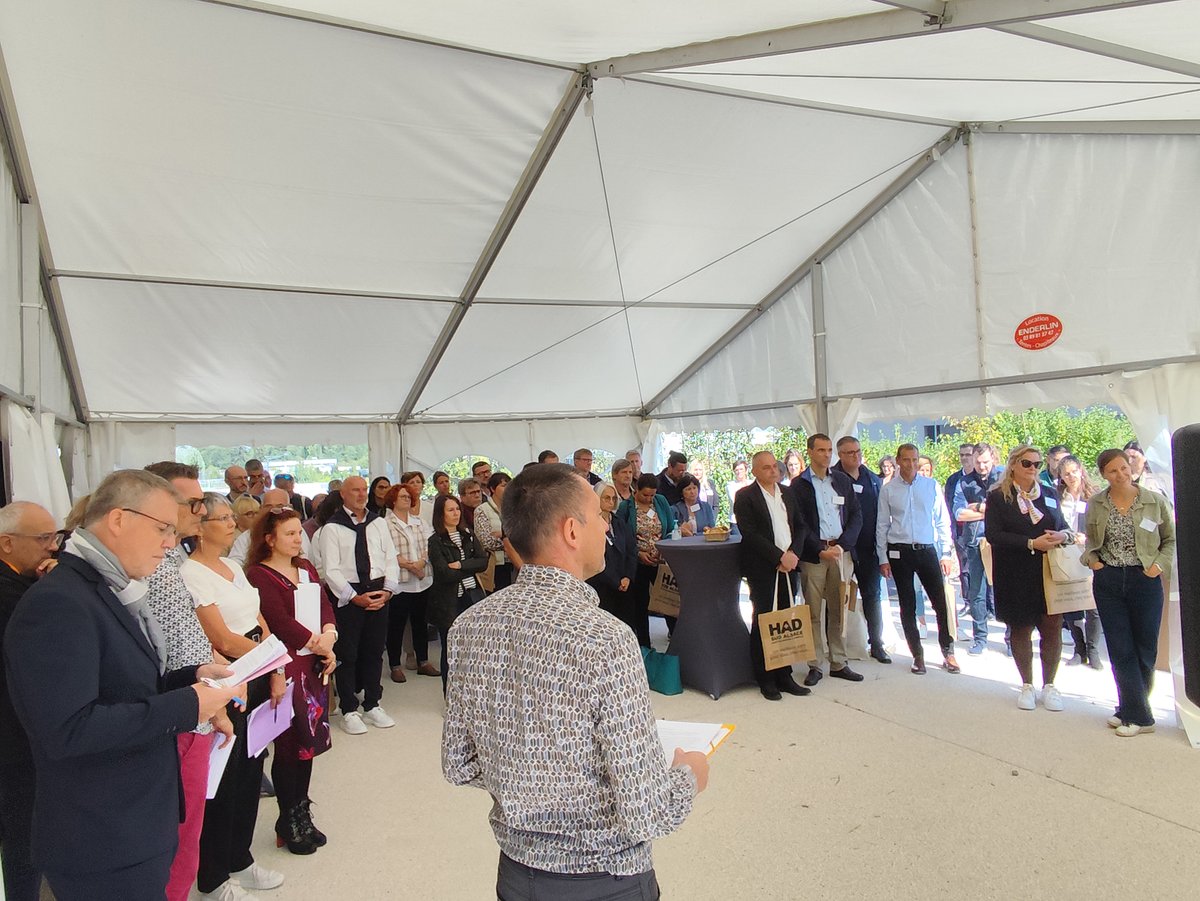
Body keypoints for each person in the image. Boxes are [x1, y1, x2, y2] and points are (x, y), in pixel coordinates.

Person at [442, 464, 707, 899]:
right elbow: (647, 811)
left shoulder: (469, 626)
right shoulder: (606, 638)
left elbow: (459, 763)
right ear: (570, 530)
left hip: (516, 873)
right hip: (606, 878)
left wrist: (527, 780)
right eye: (599, 515)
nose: (608, 524)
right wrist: (689, 775)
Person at [4, 470, 241, 901]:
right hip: (101, 835)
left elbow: (121, 685)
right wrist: (189, 705)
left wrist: (191, 678)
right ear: (118, 519)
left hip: (131, 822)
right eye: (163, 528)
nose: (171, 542)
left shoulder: (105, 586)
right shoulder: (60, 601)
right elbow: (68, 729)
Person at [141, 462, 252, 901]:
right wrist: (211, 701)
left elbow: (190, 643)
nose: (201, 509)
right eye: (192, 502)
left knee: (191, 826)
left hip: (201, 702)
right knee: (182, 830)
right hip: (185, 710)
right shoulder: (164, 563)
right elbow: (187, 642)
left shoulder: (173, 557)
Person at [182, 494, 286, 900]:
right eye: (222, 518)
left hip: (257, 669)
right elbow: (220, 637)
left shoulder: (231, 567)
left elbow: (259, 618)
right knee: (222, 782)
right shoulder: (191, 572)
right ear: (200, 526)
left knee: (249, 773)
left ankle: (240, 859)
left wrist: (275, 667)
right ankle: (213, 877)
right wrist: (270, 654)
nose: (231, 523)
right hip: (227, 678)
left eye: (231, 516)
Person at [245, 509, 338, 855]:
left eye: (299, 533)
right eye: (289, 534)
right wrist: (318, 642)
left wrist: (329, 635)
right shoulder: (259, 575)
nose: (298, 539)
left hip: (314, 661)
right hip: (286, 665)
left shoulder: (306, 568)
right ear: (269, 539)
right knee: (288, 745)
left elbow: (324, 603)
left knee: (308, 744)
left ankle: (301, 811)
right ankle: (287, 818)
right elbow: (278, 621)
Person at [1083, 448, 1175, 737]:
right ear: (1104, 475)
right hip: (1109, 579)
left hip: (1144, 579)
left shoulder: (1154, 501)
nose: (1121, 474)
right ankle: (1141, 718)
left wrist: (1158, 566)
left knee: (1145, 648)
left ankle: (1130, 708)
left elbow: (1170, 539)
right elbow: (1089, 542)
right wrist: (1093, 562)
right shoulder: (1096, 503)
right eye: (1113, 471)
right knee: (1121, 648)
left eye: (1124, 467)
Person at [983, 445, 1072, 712]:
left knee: (1052, 625)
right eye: (1027, 463)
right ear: (1013, 465)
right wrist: (1031, 542)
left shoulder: (1049, 493)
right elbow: (994, 534)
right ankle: (1027, 684)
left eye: (1037, 464)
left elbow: (1063, 525)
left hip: (1048, 570)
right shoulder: (999, 497)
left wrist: (1063, 536)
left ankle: (1050, 684)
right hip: (1015, 570)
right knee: (1021, 627)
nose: (1032, 469)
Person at [0, 502, 59, 901]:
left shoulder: (22, 582)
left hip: (20, 729)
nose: (52, 547)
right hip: (12, 737)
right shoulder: (11, 593)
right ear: (6, 543)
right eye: (42, 539)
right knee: (21, 833)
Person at [319, 475, 401, 735]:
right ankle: (349, 709)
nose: (361, 494)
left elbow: (390, 558)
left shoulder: (378, 523)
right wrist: (354, 597)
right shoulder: (332, 528)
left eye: (364, 490)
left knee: (375, 651)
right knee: (348, 653)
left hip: (379, 591)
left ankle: (373, 703)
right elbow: (331, 569)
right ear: (342, 494)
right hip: (349, 596)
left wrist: (388, 590)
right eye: (355, 490)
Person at [734, 451, 812, 701]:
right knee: (765, 619)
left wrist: (793, 554)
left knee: (786, 619)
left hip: (789, 566)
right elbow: (750, 533)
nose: (773, 471)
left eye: (774, 467)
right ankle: (765, 677)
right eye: (766, 468)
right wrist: (778, 556)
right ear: (755, 471)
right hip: (764, 568)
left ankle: (785, 674)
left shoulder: (787, 493)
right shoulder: (745, 497)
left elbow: (800, 525)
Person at [876, 444, 960, 675]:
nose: (911, 464)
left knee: (940, 603)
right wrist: (883, 558)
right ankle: (917, 655)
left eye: (914, 460)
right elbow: (882, 525)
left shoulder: (931, 486)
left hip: (926, 549)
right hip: (900, 551)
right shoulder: (889, 489)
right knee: (907, 605)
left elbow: (943, 521)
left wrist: (945, 553)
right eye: (906, 460)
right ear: (898, 461)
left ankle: (948, 651)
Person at [791, 433, 864, 685]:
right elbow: (798, 523)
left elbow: (856, 515)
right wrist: (819, 548)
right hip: (814, 555)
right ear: (810, 452)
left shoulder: (841, 480)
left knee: (838, 610)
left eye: (829, 450)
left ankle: (839, 662)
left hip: (840, 554)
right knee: (812, 611)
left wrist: (843, 546)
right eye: (821, 450)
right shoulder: (799, 485)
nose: (826, 454)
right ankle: (815, 664)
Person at [832, 436, 891, 663]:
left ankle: (876, 643)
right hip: (843, 548)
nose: (855, 456)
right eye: (849, 453)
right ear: (840, 455)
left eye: (857, 451)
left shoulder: (872, 479)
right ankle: (837, 647)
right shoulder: (832, 479)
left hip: (869, 548)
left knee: (872, 596)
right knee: (838, 598)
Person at [428, 494, 488, 694]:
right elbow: (443, 572)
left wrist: (461, 564)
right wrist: (468, 567)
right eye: (450, 510)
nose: (456, 513)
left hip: (472, 596)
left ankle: (473, 693)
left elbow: (483, 562)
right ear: (440, 514)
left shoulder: (468, 534)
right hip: (449, 601)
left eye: (457, 509)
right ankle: (450, 695)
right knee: (450, 650)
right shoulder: (435, 541)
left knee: (475, 649)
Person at [383, 483, 438, 683]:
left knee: (420, 623)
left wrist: (422, 563)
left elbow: (429, 545)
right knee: (396, 625)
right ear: (393, 500)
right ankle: (395, 665)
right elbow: (388, 551)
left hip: (422, 581)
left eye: (409, 496)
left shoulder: (419, 522)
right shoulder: (385, 524)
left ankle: (423, 661)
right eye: (403, 496)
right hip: (401, 582)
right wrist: (412, 567)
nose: (407, 499)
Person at [617, 473, 677, 647]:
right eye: (645, 495)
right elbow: (622, 536)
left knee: (667, 600)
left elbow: (670, 527)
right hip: (638, 563)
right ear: (636, 490)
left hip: (660, 560)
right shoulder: (626, 507)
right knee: (641, 604)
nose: (649, 498)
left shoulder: (661, 501)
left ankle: (675, 636)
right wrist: (638, 553)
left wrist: (663, 548)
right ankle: (644, 644)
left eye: (652, 495)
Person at [953, 443, 1001, 656]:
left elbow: (1008, 509)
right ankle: (980, 638)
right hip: (974, 542)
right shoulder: (963, 482)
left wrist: (980, 508)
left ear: (993, 459)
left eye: (986, 462)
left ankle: (1010, 639)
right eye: (978, 462)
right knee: (977, 593)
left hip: (1000, 542)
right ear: (972, 460)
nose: (982, 467)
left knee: (1003, 590)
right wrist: (991, 511)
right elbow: (959, 514)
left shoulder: (1003, 479)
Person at [1057, 455, 1103, 669]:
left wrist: (1088, 537)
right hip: (1068, 553)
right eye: (1066, 474)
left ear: (1080, 470)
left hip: (1091, 552)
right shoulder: (1058, 497)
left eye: (1074, 471)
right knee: (1073, 602)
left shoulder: (1094, 495)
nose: (1071, 476)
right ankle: (1079, 649)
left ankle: (1093, 650)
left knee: (1093, 605)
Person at [586, 482, 638, 635]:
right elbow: (593, 556)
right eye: (606, 498)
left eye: (613, 498)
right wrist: (615, 581)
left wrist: (628, 576)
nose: (610, 502)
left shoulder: (619, 522)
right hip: (601, 584)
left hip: (624, 583)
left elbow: (631, 550)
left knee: (626, 624)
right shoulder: (590, 524)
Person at [229, 488, 312, 566]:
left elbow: (305, 559)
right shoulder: (248, 536)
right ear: (261, 508)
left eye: (279, 507)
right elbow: (234, 565)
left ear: (289, 507)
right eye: (268, 506)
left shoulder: (299, 531)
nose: (273, 511)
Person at [474, 472, 522, 592]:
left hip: (515, 561)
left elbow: (522, 535)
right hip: (496, 565)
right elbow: (486, 541)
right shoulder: (482, 510)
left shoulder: (514, 509)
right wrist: (508, 542)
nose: (508, 489)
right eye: (503, 485)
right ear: (492, 488)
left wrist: (502, 535)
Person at [945, 443, 975, 603]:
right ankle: (967, 600)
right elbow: (950, 505)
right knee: (964, 567)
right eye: (962, 455)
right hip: (960, 531)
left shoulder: (982, 478)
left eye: (968, 454)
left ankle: (988, 604)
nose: (964, 458)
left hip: (979, 531)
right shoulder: (953, 480)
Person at [725, 459, 751, 524]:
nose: (739, 472)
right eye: (736, 470)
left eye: (741, 469)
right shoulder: (730, 485)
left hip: (752, 521)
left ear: (746, 470)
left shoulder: (752, 483)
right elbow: (735, 502)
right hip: (736, 522)